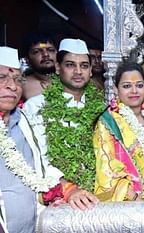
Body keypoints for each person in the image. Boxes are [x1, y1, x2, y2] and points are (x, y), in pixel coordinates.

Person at [0, 46, 97, 233]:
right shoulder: (35, 108)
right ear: (59, 68)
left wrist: (68, 190)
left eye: (17, 79)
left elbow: (42, 165)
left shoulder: (23, 120)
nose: (12, 86)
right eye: (2, 78)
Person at [24, 38, 106, 192]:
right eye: (70, 65)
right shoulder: (36, 106)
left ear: (90, 71)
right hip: (57, 194)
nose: (78, 71)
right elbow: (37, 157)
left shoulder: (102, 109)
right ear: (57, 68)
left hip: (98, 191)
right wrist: (68, 188)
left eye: (84, 66)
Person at [93, 62, 144, 201]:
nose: (134, 91)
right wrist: (136, 198)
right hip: (129, 205)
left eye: (139, 85)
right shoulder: (108, 123)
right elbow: (107, 169)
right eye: (126, 86)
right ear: (115, 89)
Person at [21, 33, 58, 100]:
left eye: (50, 50)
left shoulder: (69, 80)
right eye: (37, 51)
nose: (46, 54)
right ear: (27, 60)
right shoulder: (21, 85)